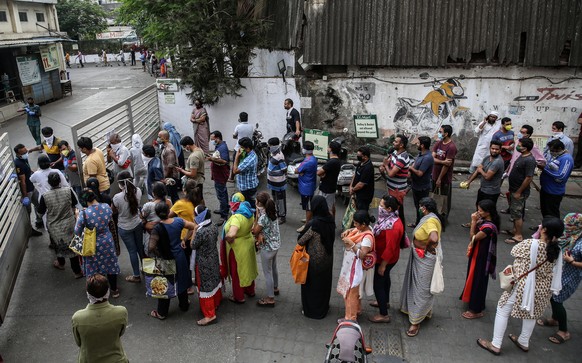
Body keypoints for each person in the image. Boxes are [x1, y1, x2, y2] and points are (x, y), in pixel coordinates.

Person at [477, 216, 564, 355]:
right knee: (532, 314)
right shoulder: (558, 250)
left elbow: (514, 251)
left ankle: (496, 344)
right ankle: (524, 341)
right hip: (543, 288)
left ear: (545, 230)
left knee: (502, 309)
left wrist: (535, 237)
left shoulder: (531, 244)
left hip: (523, 285)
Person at [400, 197, 443, 337]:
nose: (419, 209)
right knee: (416, 285)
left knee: (422, 289)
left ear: (424, 208)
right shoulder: (431, 217)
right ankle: (418, 311)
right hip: (420, 257)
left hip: (425, 259)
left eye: (420, 207)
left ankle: (415, 321)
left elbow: (434, 238)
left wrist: (425, 248)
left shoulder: (430, 221)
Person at [536, 213, 582, 344]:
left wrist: (572, 261)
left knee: (557, 300)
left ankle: (564, 331)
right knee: (553, 296)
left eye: (569, 224)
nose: (566, 226)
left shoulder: (581, 242)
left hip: (570, 277)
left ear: (576, 226)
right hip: (560, 274)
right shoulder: (570, 236)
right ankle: (555, 319)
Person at [148, 202, 197, 319]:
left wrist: (158, 254)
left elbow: (151, 246)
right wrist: (184, 239)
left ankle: (162, 312)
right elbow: (194, 226)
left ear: (157, 214)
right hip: (180, 257)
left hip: (165, 260)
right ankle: (184, 304)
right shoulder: (178, 221)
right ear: (168, 210)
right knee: (182, 281)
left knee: (165, 284)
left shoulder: (157, 228)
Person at [72, 274, 128, 363]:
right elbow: (120, 333)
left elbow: (79, 342)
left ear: (88, 294)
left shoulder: (78, 318)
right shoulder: (121, 312)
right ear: (108, 292)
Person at [75, 189, 121, 298]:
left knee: (94, 267)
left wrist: (77, 216)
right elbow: (109, 219)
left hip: (92, 243)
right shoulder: (106, 206)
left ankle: (97, 292)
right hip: (107, 240)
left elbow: (77, 231)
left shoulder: (84, 213)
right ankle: (114, 290)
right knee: (110, 265)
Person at [297, 195, 335, 319]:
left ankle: (312, 310)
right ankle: (323, 307)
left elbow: (301, 240)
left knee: (312, 286)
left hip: (313, 261)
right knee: (323, 284)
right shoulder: (330, 220)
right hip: (328, 258)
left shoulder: (314, 224)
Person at [460, 199, 499, 319]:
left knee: (478, 281)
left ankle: (476, 310)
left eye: (481, 211)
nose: (478, 212)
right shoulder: (485, 221)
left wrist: (473, 222)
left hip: (482, 258)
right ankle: (472, 300)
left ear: (488, 212)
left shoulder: (488, 228)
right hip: (478, 255)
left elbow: (473, 238)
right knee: (474, 278)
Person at [37, 172, 82, 277]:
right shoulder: (68, 191)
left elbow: (40, 213)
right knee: (74, 247)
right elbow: (77, 205)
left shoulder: (45, 196)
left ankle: (61, 263)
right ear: (60, 181)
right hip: (70, 224)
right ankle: (77, 272)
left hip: (54, 226)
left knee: (58, 245)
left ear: (49, 183)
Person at [370, 195, 404, 323]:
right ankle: (384, 301)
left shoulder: (392, 227)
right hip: (386, 257)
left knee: (378, 284)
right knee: (385, 280)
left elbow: (390, 248)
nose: (379, 207)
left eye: (382, 205)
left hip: (386, 259)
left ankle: (383, 314)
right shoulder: (389, 218)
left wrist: (383, 265)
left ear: (389, 209)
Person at [339, 210, 375, 322]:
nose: (354, 226)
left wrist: (351, 244)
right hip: (351, 267)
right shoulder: (364, 229)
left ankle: (350, 318)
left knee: (351, 294)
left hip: (356, 269)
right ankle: (357, 310)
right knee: (354, 292)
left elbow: (362, 255)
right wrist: (348, 231)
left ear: (363, 224)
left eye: (356, 223)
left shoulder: (367, 239)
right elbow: (355, 231)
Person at [222, 193, 258, 304]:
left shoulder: (237, 217)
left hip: (237, 249)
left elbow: (232, 233)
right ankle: (250, 290)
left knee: (237, 272)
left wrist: (228, 238)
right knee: (248, 268)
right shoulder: (249, 211)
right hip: (248, 244)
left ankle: (239, 296)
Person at [190, 205, 222, 325]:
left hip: (203, 262)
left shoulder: (200, 231)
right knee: (214, 281)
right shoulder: (213, 225)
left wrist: (194, 230)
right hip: (213, 258)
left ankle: (210, 315)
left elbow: (193, 245)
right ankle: (216, 303)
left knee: (205, 287)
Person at [460, 140, 504, 228]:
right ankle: (475, 223)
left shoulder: (497, 162)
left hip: (491, 192)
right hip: (483, 189)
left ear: (500, 150)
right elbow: (477, 171)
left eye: (496, 149)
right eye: (493, 148)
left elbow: (487, 176)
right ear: (490, 148)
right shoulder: (487, 158)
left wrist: (481, 170)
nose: (494, 151)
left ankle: (490, 227)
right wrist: (468, 182)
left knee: (489, 211)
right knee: (479, 208)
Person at [112, 171, 144, 284]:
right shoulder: (138, 191)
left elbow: (114, 211)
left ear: (120, 184)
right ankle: (145, 269)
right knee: (140, 248)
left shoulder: (117, 197)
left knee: (132, 251)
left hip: (125, 227)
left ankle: (136, 275)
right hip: (137, 223)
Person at [169, 179, 200, 295]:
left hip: (185, 238)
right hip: (198, 235)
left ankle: (189, 287)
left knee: (185, 262)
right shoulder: (199, 201)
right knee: (195, 260)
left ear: (184, 190)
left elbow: (168, 216)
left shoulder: (180, 204)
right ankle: (196, 281)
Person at [504, 138, 537, 244]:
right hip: (513, 189)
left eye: (520, 145)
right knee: (514, 212)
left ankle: (518, 235)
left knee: (517, 213)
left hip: (519, 192)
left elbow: (528, 178)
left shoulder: (530, 160)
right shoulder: (522, 156)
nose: (517, 146)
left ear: (525, 148)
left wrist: (519, 192)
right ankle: (514, 230)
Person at [253, 192, 281, 307]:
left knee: (267, 272)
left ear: (260, 203)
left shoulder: (263, 217)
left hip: (267, 248)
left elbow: (255, 230)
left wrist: (256, 216)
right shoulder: (273, 211)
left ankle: (270, 298)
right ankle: (275, 288)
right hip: (276, 245)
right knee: (274, 267)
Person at [30, 155, 70, 230]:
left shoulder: (37, 174)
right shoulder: (56, 171)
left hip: (45, 201)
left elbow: (31, 179)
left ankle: (52, 236)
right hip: (60, 197)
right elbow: (66, 185)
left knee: (48, 220)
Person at [380, 134, 411, 227]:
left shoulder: (403, 157)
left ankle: (401, 232)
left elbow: (391, 173)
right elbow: (387, 164)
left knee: (397, 212)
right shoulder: (394, 153)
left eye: (396, 142)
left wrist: (385, 166)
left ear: (401, 145)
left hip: (397, 190)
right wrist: (383, 167)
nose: (393, 143)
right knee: (393, 210)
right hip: (391, 187)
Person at [13, 144, 43, 235]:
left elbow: (28, 170)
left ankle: (39, 220)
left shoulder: (24, 158)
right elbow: (23, 182)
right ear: (18, 154)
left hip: (32, 188)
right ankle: (30, 230)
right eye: (24, 152)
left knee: (39, 203)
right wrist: (25, 196)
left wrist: (36, 173)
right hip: (27, 191)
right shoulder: (18, 164)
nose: (26, 153)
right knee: (28, 211)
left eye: (26, 151)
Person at [539, 140, 574, 218]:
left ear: (560, 148)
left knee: (552, 212)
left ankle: (553, 229)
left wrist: (544, 169)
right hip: (546, 189)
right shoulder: (557, 156)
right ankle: (545, 226)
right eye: (551, 150)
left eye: (553, 150)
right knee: (545, 211)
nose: (552, 152)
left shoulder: (566, 159)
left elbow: (561, 176)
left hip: (554, 192)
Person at [431, 125, 457, 223]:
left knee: (444, 199)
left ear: (446, 134)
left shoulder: (451, 147)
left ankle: (443, 219)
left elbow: (447, 165)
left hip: (444, 178)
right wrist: (442, 162)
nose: (439, 133)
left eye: (441, 132)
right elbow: (432, 158)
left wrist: (439, 178)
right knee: (435, 197)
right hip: (434, 174)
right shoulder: (438, 143)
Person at [409, 136, 434, 228]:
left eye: (418, 143)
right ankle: (418, 223)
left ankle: (422, 226)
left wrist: (411, 168)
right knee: (417, 207)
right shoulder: (420, 154)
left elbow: (420, 173)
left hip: (422, 188)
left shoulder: (427, 158)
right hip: (416, 185)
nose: (416, 144)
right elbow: (415, 164)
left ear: (422, 145)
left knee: (422, 208)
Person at [141, 182, 172, 253]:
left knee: (151, 252)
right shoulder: (168, 202)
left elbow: (141, 216)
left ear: (154, 193)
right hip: (166, 232)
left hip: (151, 234)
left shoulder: (148, 205)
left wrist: (145, 224)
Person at [208, 131, 230, 224]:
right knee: (222, 193)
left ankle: (224, 215)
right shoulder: (219, 146)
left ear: (218, 138)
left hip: (221, 175)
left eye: (213, 139)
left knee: (221, 195)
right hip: (218, 175)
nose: (212, 141)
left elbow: (224, 161)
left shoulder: (223, 148)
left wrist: (212, 159)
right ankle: (223, 208)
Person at [296, 141, 318, 233]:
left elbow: (296, 170)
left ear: (305, 150)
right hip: (309, 185)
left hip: (306, 188)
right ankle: (308, 219)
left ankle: (307, 225)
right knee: (308, 205)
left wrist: (300, 171)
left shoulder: (307, 161)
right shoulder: (313, 158)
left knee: (308, 206)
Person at [317, 141, 342, 217]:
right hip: (331, 186)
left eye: (328, 147)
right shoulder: (336, 161)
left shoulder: (331, 162)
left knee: (328, 209)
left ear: (331, 149)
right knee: (331, 206)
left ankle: (328, 225)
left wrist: (322, 174)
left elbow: (319, 172)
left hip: (327, 188)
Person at [232, 137, 259, 208]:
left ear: (247, 148)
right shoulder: (248, 154)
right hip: (245, 186)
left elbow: (235, 171)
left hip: (248, 188)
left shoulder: (250, 159)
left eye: (242, 147)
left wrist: (236, 157)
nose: (240, 149)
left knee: (249, 207)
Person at [177, 136, 205, 203]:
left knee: (195, 200)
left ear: (187, 146)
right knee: (200, 198)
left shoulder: (194, 156)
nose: (184, 149)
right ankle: (204, 211)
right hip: (199, 179)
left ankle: (200, 211)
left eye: (184, 147)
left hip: (195, 182)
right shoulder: (200, 150)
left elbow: (193, 174)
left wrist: (182, 171)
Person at [267, 137, 287, 224]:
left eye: (270, 145)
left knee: (281, 200)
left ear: (274, 146)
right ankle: (277, 212)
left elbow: (284, 168)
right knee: (275, 198)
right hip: (273, 183)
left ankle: (282, 216)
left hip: (279, 183)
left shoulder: (279, 156)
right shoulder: (273, 154)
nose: (269, 147)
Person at [230, 112, 254, 182]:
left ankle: (231, 178)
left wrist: (237, 136)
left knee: (235, 162)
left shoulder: (238, 126)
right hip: (248, 148)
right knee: (246, 162)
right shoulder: (251, 126)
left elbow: (234, 136)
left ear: (240, 118)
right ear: (247, 118)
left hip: (239, 148)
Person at [157, 130, 180, 203]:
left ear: (164, 138)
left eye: (159, 137)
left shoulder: (168, 150)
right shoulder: (165, 147)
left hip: (171, 176)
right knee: (172, 194)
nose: (158, 138)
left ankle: (178, 211)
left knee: (174, 195)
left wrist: (165, 177)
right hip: (169, 175)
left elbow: (170, 166)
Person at [350, 146, 375, 211]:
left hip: (364, 196)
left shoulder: (368, 168)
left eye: (359, 155)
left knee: (362, 213)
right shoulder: (360, 163)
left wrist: (353, 190)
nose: (357, 156)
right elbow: (355, 175)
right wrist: (351, 186)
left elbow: (361, 184)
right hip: (357, 193)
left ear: (365, 157)